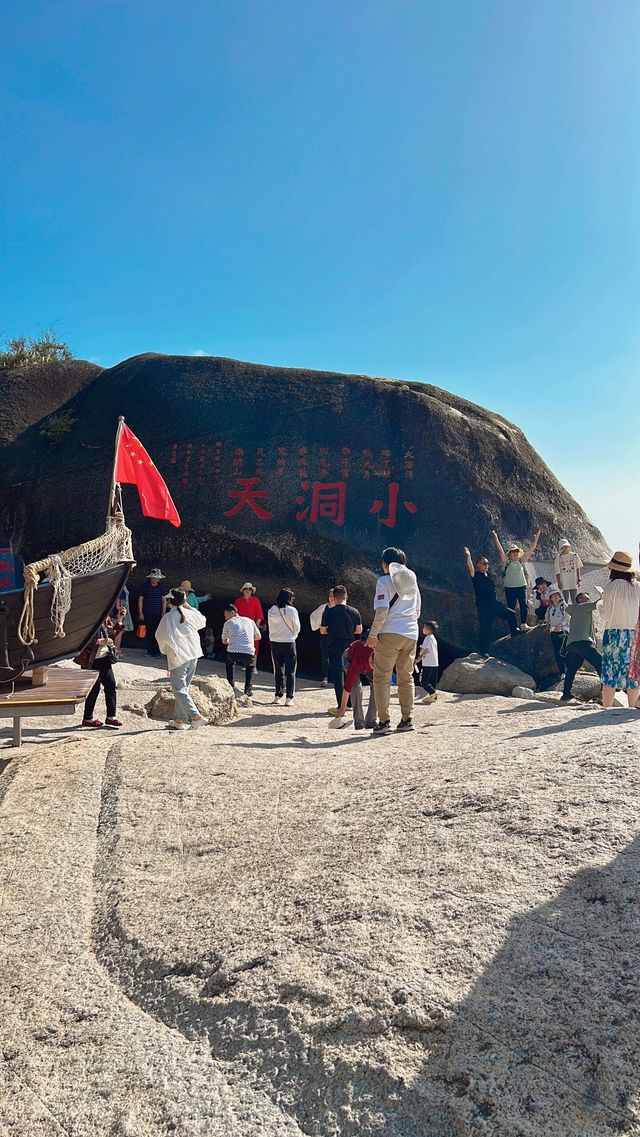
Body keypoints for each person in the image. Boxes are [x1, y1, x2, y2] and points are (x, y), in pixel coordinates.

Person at [367, 547, 421, 736]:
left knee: (382, 677)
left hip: (390, 632)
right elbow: (417, 611)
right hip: (411, 633)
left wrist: (373, 634)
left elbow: (382, 610)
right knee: (406, 677)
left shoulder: (384, 580)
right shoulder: (413, 579)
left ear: (386, 564)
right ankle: (407, 719)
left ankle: (384, 721)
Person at [155, 588, 207, 731]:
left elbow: (160, 636)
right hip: (194, 653)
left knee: (179, 689)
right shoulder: (190, 614)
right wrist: (187, 605)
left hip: (179, 656)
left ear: (170, 601)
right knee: (183, 689)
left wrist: (165, 650)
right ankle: (179, 720)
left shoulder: (168, 617)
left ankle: (196, 717)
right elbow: (203, 620)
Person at [599, 552, 640, 710]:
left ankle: (607, 708)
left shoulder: (611, 586)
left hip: (614, 632)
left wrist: (599, 604)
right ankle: (632, 708)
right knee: (633, 674)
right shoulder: (638, 586)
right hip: (634, 634)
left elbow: (605, 614)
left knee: (610, 673)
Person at [463, 547, 521, 655]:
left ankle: (514, 631)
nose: (486, 566)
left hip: (494, 604)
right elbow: (470, 567)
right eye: (484, 564)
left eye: (487, 564)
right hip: (483, 607)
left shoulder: (489, 576)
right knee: (485, 629)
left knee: (511, 614)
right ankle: (483, 651)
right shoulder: (476, 576)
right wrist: (468, 556)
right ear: (478, 565)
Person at [77, 605, 126, 728]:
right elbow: (81, 640)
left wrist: (119, 620)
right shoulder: (87, 620)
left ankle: (111, 716)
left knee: (110, 685)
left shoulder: (106, 617)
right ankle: (88, 718)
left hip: (104, 658)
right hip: (91, 661)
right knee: (94, 690)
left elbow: (111, 633)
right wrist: (100, 642)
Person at [320, 585, 363, 711]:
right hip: (350, 647)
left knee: (338, 677)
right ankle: (352, 703)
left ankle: (341, 704)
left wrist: (331, 630)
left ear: (334, 597)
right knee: (351, 675)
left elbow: (322, 630)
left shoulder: (329, 612)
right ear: (346, 597)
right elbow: (359, 630)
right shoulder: (354, 611)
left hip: (334, 646)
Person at [491, 529, 540, 627]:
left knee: (524, 605)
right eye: (513, 551)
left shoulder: (521, 560)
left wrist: (536, 539)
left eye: (517, 551)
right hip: (510, 587)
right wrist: (496, 539)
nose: (515, 552)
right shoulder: (506, 561)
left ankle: (523, 624)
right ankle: (513, 626)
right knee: (511, 608)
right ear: (509, 553)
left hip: (521, 586)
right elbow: (500, 550)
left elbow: (531, 550)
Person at [560, 590, 603, 702]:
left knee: (571, 670)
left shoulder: (574, 610)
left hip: (572, 644)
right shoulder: (583, 607)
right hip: (583, 643)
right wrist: (603, 594)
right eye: (583, 598)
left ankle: (565, 694)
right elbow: (598, 604)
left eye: (587, 599)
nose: (585, 600)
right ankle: (606, 691)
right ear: (578, 600)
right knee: (601, 663)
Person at [329, 630, 377, 730]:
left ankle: (371, 720)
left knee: (377, 686)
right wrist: (342, 708)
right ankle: (359, 721)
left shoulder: (383, 657)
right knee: (355, 686)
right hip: (350, 658)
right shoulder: (358, 660)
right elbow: (348, 687)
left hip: (370, 660)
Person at [267, 588, 301, 705]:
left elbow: (270, 627)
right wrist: (293, 636)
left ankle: (278, 695)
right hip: (288, 642)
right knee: (290, 671)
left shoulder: (271, 610)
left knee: (278, 670)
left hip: (275, 642)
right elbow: (297, 627)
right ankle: (289, 697)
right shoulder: (292, 610)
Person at [221, 603, 261, 700]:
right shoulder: (250, 621)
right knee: (251, 667)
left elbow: (224, 641)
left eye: (226, 614)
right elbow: (258, 637)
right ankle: (248, 689)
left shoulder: (228, 623)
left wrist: (232, 641)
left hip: (233, 651)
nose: (225, 616)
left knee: (230, 662)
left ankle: (231, 684)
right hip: (248, 651)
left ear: (232, 613)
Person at [138, 568, 167, 657]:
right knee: (149, 632)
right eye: (155, 578)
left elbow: (164, 600)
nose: (157, 579)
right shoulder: (144, 586)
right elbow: (141, 599)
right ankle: (149, 651)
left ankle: (157, 652)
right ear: (151, 578)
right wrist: (140, 612)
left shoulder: (161, 587)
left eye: (158, 578)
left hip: (158, 613)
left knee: (158, 632)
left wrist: (163, 612)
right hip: (147, 613)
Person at [234, 583, 265, 664]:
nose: (248, 591)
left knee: (255, 645)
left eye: (249, 589)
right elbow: (235, 614)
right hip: (241, 626)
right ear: (243, 590)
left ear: (252, 591)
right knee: (241, 644)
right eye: (246, 589)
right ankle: (244, 664)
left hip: (252, 626)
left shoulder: (256, 600)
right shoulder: (238, 600)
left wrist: (257, 625)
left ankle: (253, 665)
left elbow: (259, 614)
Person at [310, 589, 335, 686]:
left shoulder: (341, 608)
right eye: (330, 596)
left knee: (338, 657)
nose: (332, 598)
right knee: (325, 657)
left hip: (337, 636)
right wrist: (320, 626)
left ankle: (338, 678)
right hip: (325, 635)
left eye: (333, 596)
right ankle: (325, 678)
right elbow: (314, 616)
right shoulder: (324, 607)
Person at [544, 587, 570, 675]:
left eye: (557, 596)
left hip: (563, 632)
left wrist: (560, 625)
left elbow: (567, 617)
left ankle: (569, 670)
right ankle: (563, 671)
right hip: (554, 633)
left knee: (563, 651)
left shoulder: (564, 606)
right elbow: (547, 619)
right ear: (550, 597)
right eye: (553, 596)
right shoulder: (549, 609)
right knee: (557, 652)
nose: (555, 597)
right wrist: (547, 626)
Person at [554, 539, 584, 605]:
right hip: (564, 581)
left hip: (573, 580)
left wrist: (579, 578)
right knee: (565, 600)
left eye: (567, 546)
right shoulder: (558, 557)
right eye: (564, 546)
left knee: (574, 599)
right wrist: (559, 582)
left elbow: (578, 567)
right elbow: (557, 571)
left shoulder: (574, 555)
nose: (566, 548)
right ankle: (565, 614)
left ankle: (575, 613)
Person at [417, 619, 439, 704]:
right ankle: (432, 696)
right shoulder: (433, 638)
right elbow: (428, 650)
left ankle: (433, 693)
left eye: (424, 627)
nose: (422, 629)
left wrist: (419, 656)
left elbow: (423, 650)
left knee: (423, 681)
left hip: (428, 663)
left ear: (428, 629)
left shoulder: (427, 638)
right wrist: (420, 659)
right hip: (435, 663)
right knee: (432, 681)